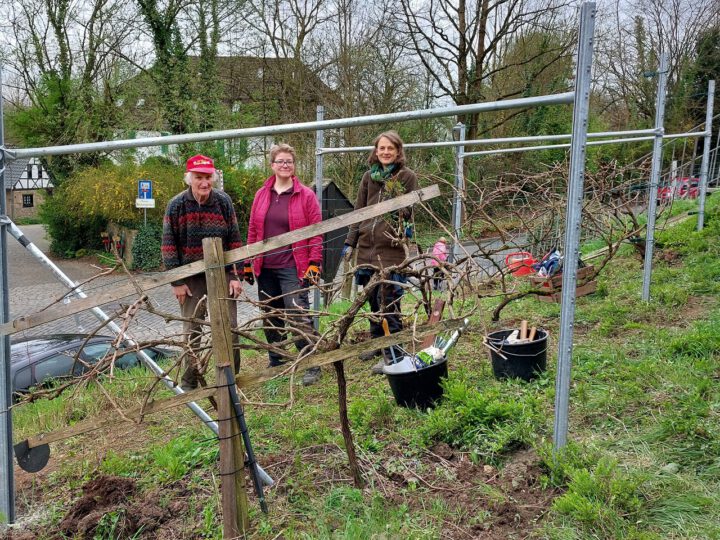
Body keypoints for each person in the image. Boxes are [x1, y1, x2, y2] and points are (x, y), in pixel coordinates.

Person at [161, 154, 243, 392]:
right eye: (199, 177)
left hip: (222, 272)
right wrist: (176, 281)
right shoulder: (176, 205)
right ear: (189, 179)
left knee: (231, 327)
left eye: (208, 177)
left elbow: (235, 240)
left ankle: (230, 379)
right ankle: (190, 381)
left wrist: (235, 276)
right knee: (191, 330)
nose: (204, 183)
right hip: (191, 278)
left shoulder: (223, 202)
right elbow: (168, 245)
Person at [245, 143, 324, 386]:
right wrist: (248, 262)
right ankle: (277, 360)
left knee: (297, 312)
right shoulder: (261, 194)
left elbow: (317, 231)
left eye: (288, 161)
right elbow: (253, 230)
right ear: (272, 165)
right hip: (266, 266)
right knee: (270, 313)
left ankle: (311, 362)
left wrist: (314, 262)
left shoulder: (305, 195)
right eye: (280, 161)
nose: (284, 165)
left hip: (293, 265)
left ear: (294, 165)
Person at [342, 131, 418, 374]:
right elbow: (359, 210)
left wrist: (392, 187)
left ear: (398, 151)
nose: (385, 152)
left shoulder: (407, 176)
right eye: (381, 148)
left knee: (389, 301)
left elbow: (407, 211)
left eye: (390, 148)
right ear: (376, 151)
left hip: (391, 248)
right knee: (373, 298)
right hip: (367, 248)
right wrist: (350, 241)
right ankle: (377, 341)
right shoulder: (368, 177)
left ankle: (393, 354)